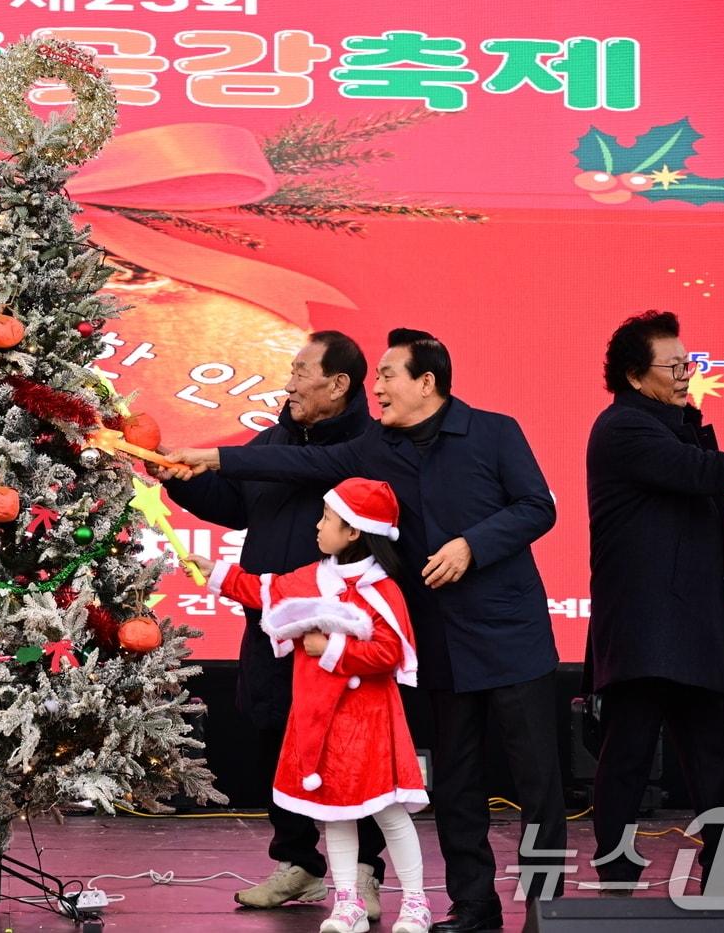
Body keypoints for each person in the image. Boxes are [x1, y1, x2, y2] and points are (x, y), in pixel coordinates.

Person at [169, 329, 565, 932]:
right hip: (436, 640)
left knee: (537, 782)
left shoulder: (494, 431)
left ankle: (550, 906)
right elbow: (297, 461)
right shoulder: (374, 446)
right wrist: (212, 459)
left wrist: (471, 546)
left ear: (425, 382)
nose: (374, 388)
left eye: (387, 376)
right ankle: (474, 906)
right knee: (457, 781)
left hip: (510, 636)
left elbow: (539, 506)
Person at [159, 331, 390, 914]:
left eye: (300, 371)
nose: (288, 383)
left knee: (342, 750)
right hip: (269, 622)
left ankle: (361, 871)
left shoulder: (368, 443)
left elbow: (303, 467)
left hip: (337, 629)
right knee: (275, 737)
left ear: (339, 384)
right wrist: (168, 473)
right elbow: (236, 503)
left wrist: (216, 454)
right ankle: (301, 864)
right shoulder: (276, 437)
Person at [584, 311, 724, 894]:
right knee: (629, 756)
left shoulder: (674, 424)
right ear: (635, 377)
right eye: (675, 366)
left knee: (715, 759)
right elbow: (702, 473)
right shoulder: (624, 429)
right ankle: (615, 874)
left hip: (686, 631)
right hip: (646, 630)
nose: (688, 374)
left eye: (690, 362)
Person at [189, 477, 431, 933]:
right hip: (322, 721)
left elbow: (391, 652)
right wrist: (214, 571)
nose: (317, 526)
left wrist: (332, 647)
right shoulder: (313, 577)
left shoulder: (384, 589)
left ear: (354, 531)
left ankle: (416, 902)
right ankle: (347, 904)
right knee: (333, 814)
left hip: (369, 723)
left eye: (327, 518)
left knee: (389, 813)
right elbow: (266, 591)